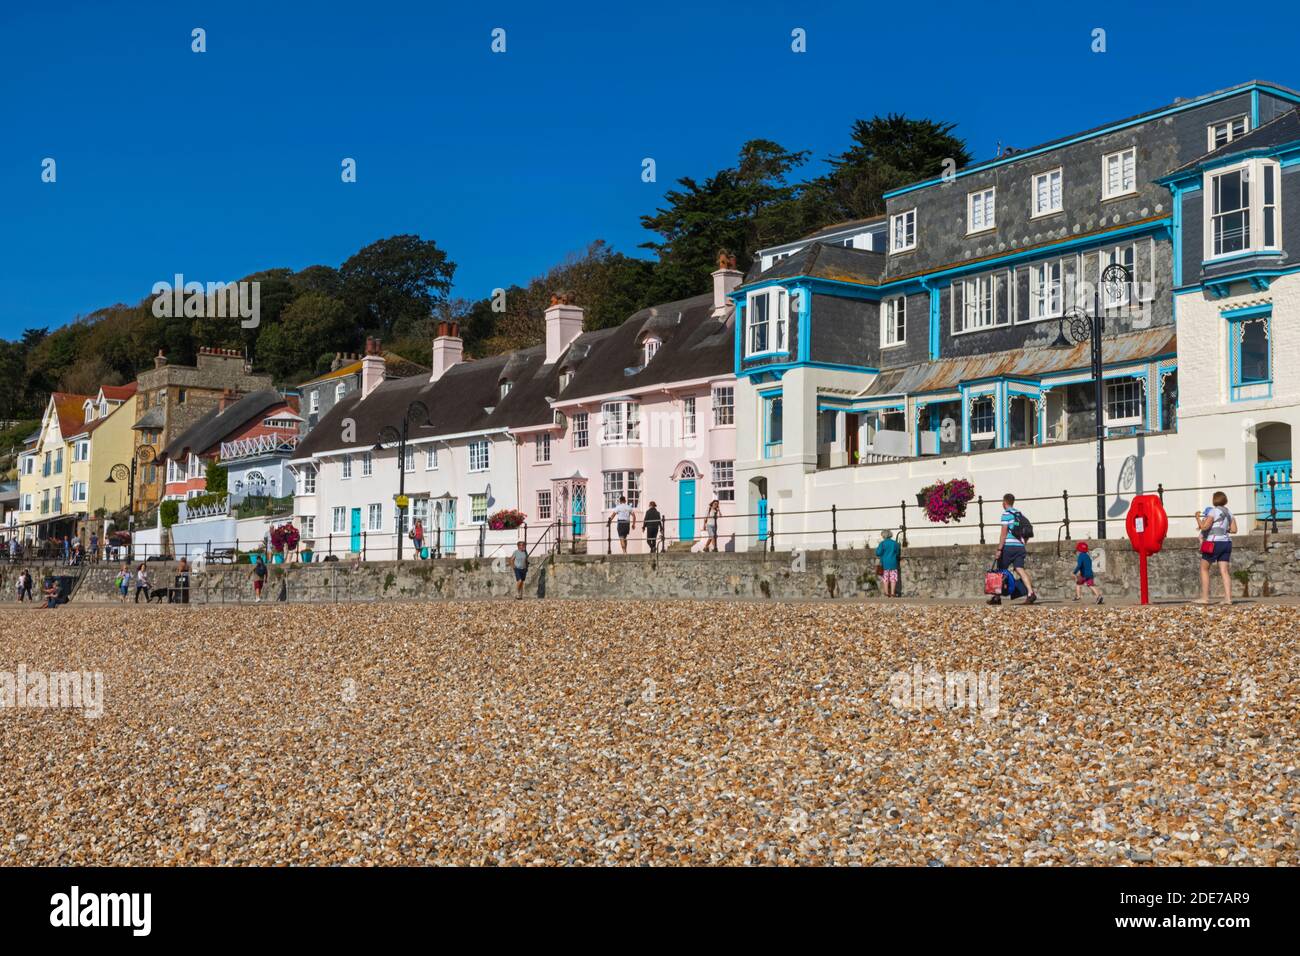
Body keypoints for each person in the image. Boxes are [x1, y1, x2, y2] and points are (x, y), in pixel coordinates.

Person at [990, 493, 1037, 605]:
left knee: (1000, 571)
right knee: (1020, 569)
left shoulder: (1006, 514)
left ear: (1004, 503)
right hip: (1020, 547)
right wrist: (1022, 544)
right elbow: (1027, 531)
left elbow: (1003, 534)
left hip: (1008, 547)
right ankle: (1030, 593)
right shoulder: (1019, 514)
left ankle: (997, 597)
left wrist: (999, 549)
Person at [1196, 491, 1237, 605]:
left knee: (1204, 569)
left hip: (1214, 543)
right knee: (1224, 571)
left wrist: (1197, 518)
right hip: (1226, 543)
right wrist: (1223, 529)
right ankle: (1228, 599)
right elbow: (1234, 530)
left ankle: (1205, 598)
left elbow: (1204, 527)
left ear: (1214, 500)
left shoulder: (1213, 511)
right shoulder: (1229, 513)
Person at [875, 529, 901, 597]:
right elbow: (897, 553)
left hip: (885, 563)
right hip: (893, 563)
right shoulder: (895, 543)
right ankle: (892, 593)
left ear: (884, 535)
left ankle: (886, 593)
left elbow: (878, 553)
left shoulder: (882, 543)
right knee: (893, 578)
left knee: (885, 578)